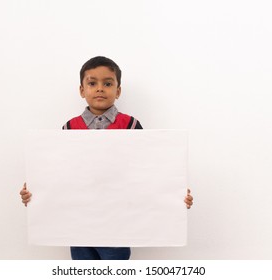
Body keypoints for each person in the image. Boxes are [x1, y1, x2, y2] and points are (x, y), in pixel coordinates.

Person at [20, 56, 194, 260]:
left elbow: (148, 168)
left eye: (108, 83)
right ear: (82, 90)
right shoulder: (69, 128)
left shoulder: (130, 125)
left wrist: (174, 195)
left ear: (118, 91)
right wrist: (36, 191)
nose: (100, 88)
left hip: (118, 224)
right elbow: (59, 173)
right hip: (77, 224)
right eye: (92, 83)